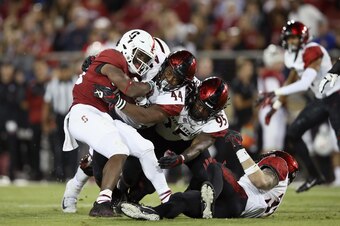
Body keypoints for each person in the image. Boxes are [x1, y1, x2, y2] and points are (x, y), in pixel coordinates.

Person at [61, 40, 196, 214]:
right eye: (169, 71)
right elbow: (121, 66)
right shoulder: (149, 65)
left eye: (177, 78)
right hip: (114, 113)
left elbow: (146, 116)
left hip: (141, 123)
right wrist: (96, 62)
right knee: (102, 160)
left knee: (145, 150)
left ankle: (167, 198)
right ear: (163, 63)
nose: (170, 79)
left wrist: (122, 93)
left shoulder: (177, 96)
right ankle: (88, 194)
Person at [62, 29, 162, 217]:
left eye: (146, 59)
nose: (143, 63)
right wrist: (151, 87)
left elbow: (132, 95)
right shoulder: (113, 56)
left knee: (105, 156)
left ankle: (83, 192)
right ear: (127, 47)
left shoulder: (132, 73)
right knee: (115, 152)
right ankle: (98, 201)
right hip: (86, 110)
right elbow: (130, 89)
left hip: (104, 117)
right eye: (140, 56)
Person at [119, 129, 299, 220]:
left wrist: (238, 147)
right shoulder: (276, 198)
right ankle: (154, 213)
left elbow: (261, 182)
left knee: (215, 167)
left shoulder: (280, 163)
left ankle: (209, 198)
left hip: (240, 198)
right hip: (231, 210)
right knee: (182, 200)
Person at [112, 76, 230, 205]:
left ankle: (182, 203)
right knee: (133, 172)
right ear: (195, 93)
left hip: (186, 142)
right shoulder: (180, 86)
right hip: (155, 133)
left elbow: (199, 145)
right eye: (199, 104)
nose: (200, 110)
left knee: (205, 176)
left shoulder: (219, 120)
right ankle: (120, 191)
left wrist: (181, 158)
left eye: (207, 110)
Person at [257, 20, 340, 193]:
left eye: (294, 38)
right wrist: (276, 105)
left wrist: (275, 92)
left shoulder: (313, 50)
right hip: (321, 99)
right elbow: (292, 78)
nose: (290, 41)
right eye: (289, 38)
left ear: (303, 38)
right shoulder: (291, 55)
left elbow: (305, 83)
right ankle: (314, 175)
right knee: (293, 134)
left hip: (336, 97)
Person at [257, 44, 287, 153]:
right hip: (270, 110)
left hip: (276, 111)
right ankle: (263, 170)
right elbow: (275, 97)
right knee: (269, 146)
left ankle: (275, 170)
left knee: (277, 148)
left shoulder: (276, 75)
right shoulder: (269, 75)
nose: (282, 63)